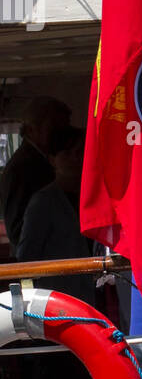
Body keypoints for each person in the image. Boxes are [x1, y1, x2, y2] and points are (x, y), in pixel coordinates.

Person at [17, 125, 97, 305]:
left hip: (96, 297)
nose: (76, 159)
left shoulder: (96, 196)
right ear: (52, 159)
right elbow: (27, 257)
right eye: (68, 153)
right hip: (59, 300)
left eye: (80, 152)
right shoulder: (43, 202)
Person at [0, 95, 72, 257]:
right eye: (54, 128)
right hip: (43, 265)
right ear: (32, 129)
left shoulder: (40, 160)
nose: (61, 137)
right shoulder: (22, 167)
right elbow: (16, 230)